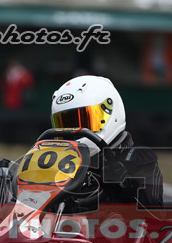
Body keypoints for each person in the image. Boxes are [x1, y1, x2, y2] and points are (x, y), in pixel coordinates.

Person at [50, 75, 163, 207]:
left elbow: (153, 210)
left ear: (110, 113)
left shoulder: (138, 159)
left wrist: (122, 184)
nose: (73, 132)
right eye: (64, 124)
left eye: (83, 121)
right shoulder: (60, 165)